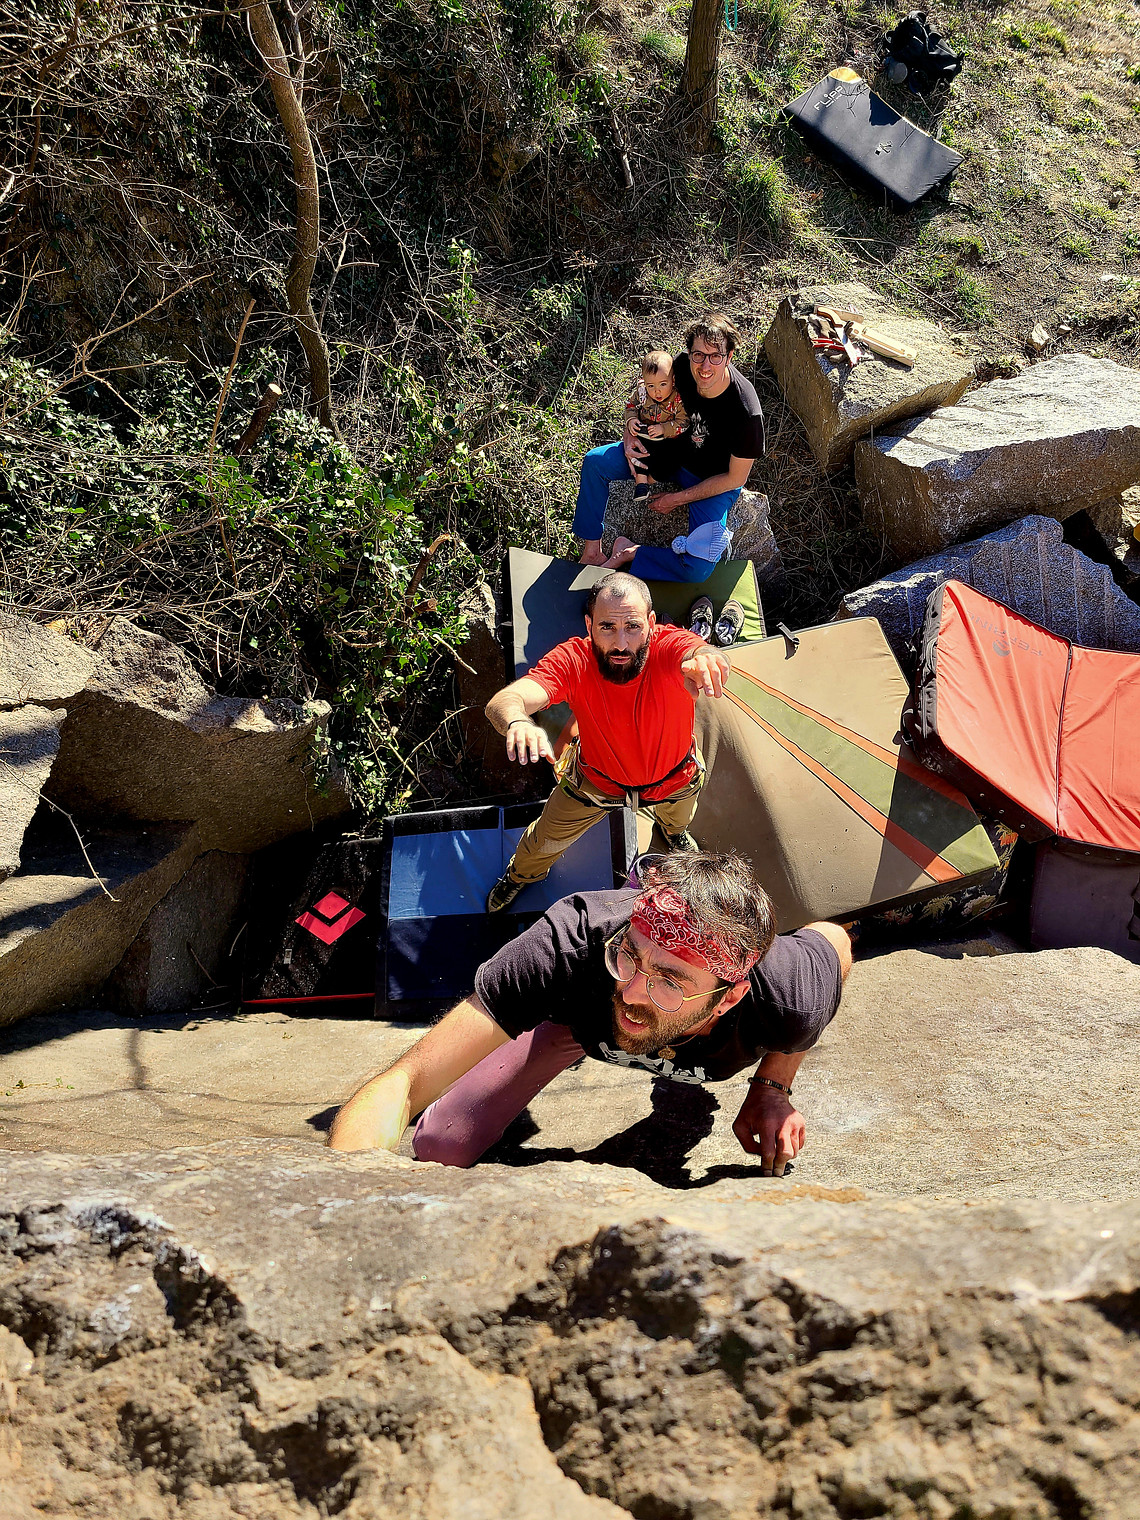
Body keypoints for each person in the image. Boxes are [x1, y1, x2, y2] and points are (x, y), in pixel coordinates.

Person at [327, 850, 853, 1177]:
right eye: (630, 956)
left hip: (716, 1015)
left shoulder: (788, 997)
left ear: (729, 997)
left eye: (670, 981)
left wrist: (772, 1087)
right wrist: (342, 1193)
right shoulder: (572, 943)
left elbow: (836, 941)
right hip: (576, 1025)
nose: (633, 993)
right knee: (441, 1144)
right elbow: (406, 1081)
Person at [481, 569, 730, 914]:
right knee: (542, 842)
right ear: (589, 626)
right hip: (596, 783)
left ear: (651, 624)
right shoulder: (574, 660)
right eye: (607, 627)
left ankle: (673, 834)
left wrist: (711, 659)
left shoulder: (668, 647)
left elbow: (699, 650)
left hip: (674, 779)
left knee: (678, 820)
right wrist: (518, 721)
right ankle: (521, 874)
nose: (621, 644)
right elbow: (503, 702)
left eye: (633, 627)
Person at [576, 312, 765, 583]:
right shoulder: (681, 368)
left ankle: (632, 553)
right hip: (665, 452)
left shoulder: (746, 413)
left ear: (730, 356)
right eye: (698, 355)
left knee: (697, 569)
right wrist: (629, 434)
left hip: (710, 479)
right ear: (689, 353)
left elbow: (736, 478)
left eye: (716, 356)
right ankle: (592, 552)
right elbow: (643, 397)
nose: (705, 366)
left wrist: (677, 499)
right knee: (595, 462)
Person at [625, 349, 690, 500]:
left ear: (673, 380)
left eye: (663, 384)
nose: (657, 391)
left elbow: (684, 422)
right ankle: (641, 484)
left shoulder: (677, 399)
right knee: (640, 453)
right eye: (651, 386)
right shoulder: (642, 392)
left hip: (668, 440)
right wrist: (631, 420)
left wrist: (664, 428)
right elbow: (630, 405)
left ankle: (652, 480)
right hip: (645, 435)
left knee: (670, 462)